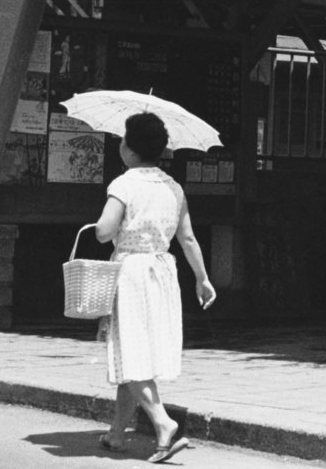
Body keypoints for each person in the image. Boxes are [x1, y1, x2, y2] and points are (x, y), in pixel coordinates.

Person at [94, 112, 216, 462]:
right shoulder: (173, 188)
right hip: (163, 272)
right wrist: (203, 279)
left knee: (129, 353)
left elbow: (103, 231)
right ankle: (117, 433)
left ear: (129, 149)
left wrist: (110, 224)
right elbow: (188, 238)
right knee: (139, 352)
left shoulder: (124, 184)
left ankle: (163, 422)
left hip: (131, 271)